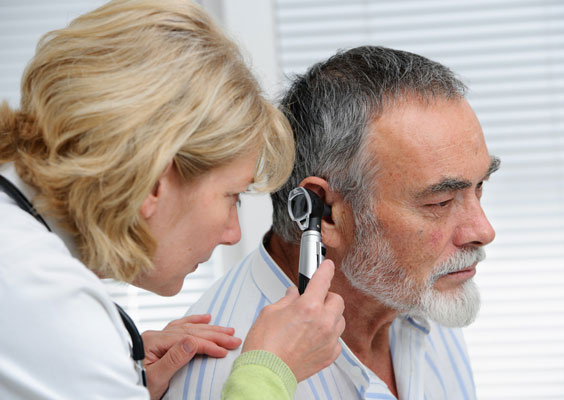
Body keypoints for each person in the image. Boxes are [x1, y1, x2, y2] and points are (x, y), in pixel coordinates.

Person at [0, 1, 345, 399]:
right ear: (150, 184)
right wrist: (268, 372)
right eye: (231, 196)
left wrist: (118, 376)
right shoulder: (49, 304)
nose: (233, 234)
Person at [167, 45, 501, 399]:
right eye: (441, 202)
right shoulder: (219, 377)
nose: (483, 231)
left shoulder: (422, 291)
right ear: (325, 212)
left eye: (479, 186)